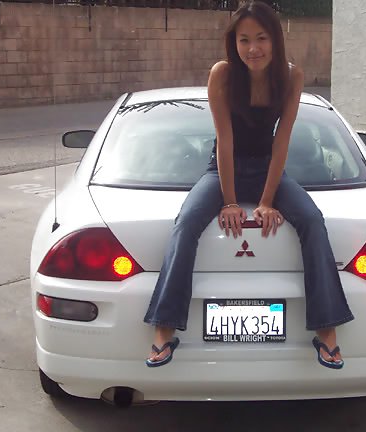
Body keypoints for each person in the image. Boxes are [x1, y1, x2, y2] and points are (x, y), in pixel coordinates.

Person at [143, 0, 354, 369]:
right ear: (234, 43)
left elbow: (282, 141)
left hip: (268, 169)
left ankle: (327, 333)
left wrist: (267, 201)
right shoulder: (223, 74)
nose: (253, 48)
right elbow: (224, 141)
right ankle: (164, 328)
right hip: (223, 169)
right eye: (244, 40)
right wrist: (229, 202)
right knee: (187, 222)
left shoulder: (291, 77)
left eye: (261, 38)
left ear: (275, 40)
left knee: (312, 220)